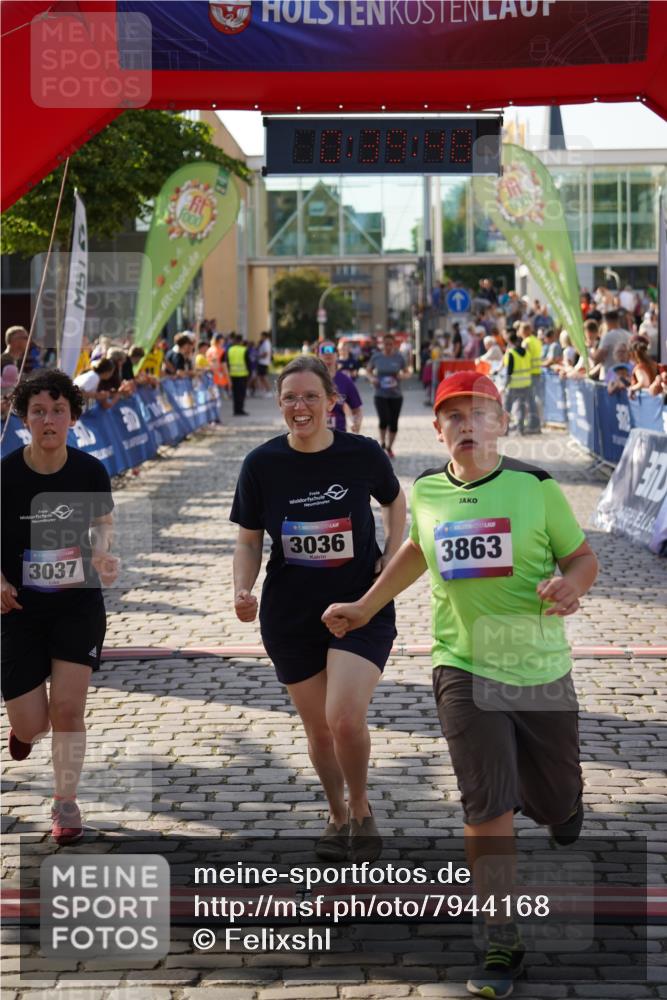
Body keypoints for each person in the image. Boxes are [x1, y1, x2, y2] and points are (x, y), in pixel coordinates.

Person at [322, 370, 598, 999]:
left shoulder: (536, 487)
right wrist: (365, 607)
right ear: (439, 427)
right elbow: (419, 550)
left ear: (502, 423)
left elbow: (582, 557)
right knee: (486, 804)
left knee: (555, 799)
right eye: (453, 415)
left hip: (538, 667)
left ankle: (563, 807)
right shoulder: (427, 490)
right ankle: (501, 937)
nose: (466, 425)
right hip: (463, 666)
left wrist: (571, 585)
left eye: (479, 414)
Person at [230, 356, 406, 862]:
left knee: (344, 718)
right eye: (290, 397)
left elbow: (396, 502)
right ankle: (336, 813)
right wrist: (243, 588)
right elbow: (248, 540)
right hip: (290, 615)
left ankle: (362, 806)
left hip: (360, 606)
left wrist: (391, 554)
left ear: (332, 401)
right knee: (320, 730)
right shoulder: (261, 464)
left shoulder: (361, 453)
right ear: (279, 404)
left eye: (311, 396)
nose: (300, 406)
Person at [1, 369, 119, 844]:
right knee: (33, 722)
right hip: (17, 609)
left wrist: (102, 552)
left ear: (73, 418)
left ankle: (64, 803)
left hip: (77, 604)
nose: (48, 420)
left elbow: (104, 523)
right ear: (24, 419)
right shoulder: (6, 474)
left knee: (68, 710)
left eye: (58, 411)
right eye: (38, 412)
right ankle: (25, 732)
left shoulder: (89, 471)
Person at [366, 332, 410, 459]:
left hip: (396, 395)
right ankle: (382, 443)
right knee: (384, 419)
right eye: (386, 344)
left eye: (390, 344)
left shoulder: (399, 357)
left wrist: (403, 376)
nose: (388, 347)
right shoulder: (377, 357)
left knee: (394, 422)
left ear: (394, 344)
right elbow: (368, 371)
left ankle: (390, 447)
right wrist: (372, 379)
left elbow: (407, 372)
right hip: (380, 394)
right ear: (382, 344)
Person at [317, 340, 363, 433]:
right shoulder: (310, 379)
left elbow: (357, 409)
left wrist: (357, 422)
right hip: (315, 435)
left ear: (337, 354)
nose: (328, 353)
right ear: (318, 355)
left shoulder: (345, 380)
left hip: (338, 435)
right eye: (324, 350)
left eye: (331, 350)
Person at [502, 330, 532, 435]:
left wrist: (504, 385)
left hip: (513, 385)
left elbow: (509, 372)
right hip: (525, 384)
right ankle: (520, 429)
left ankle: (505, 430)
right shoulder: (527, 353)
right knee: (521, 406)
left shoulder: (511, 354)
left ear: (509, 341)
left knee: (507, 407)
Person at [590, 310, 631, 378]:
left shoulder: (607, 336)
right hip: (625, 375)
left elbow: (597, 358)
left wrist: (589, 351)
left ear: (606, 322)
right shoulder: (629, 335)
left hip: (610, 377)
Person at [518, 321, 542, 433]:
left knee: (530, 400)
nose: (520, 332)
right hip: (537, 372)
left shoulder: (526, 342)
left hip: (529, 374)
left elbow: (524, 358)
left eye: (521, 330)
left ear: (525, 331)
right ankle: (535, 425)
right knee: (533, 399)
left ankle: (533, 425)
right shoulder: (536, 340)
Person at [226, 333, 250, 416]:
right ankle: (240, 410)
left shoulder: (230, 350)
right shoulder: (244, 350)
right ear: (241, 341)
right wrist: (249, 374)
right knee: (241, 394)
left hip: (232, 375)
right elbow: (248, 363)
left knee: (235, 394)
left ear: (234, 341)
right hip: (242, 375)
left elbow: (227, 363)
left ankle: (235, 410)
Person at [257, 331, 273, 397]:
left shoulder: (266, 343)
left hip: (263, 362)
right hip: (262, 362)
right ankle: (264, 391)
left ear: (264, 336)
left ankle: (269, 391)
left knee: (263, 377)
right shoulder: (265, 343)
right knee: (261, 377)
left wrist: (259, 356)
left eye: (262, 336)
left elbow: (266, 353)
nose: (261, 337)